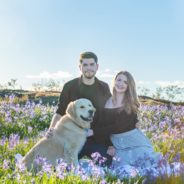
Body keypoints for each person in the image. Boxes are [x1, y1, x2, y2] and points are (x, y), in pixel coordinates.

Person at [48, 51, 112, 166]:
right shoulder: (69, 86)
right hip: (71, 139)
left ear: (97, 67)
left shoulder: (104, 87)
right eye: (85, 65)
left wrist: (111, 144)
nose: (89, 68)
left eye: (92, 64)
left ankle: (83, 164)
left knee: (106, 164)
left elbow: (109, 116)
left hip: (95, 139)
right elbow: (60, 112)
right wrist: (51, 130)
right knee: (58, 166)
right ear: (80, 67)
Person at [93, 71, 160, 168]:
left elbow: (118, 127)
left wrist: (93, 132)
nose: (121, 84)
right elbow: (103, 125)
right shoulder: (106, 101)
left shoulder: (130, 104)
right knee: (123, 170)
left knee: (147, 167)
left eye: (125, 82)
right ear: (114, 81)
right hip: (117, 144)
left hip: (134, 142)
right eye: (119, 80)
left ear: (129, 86)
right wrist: (108, 144)